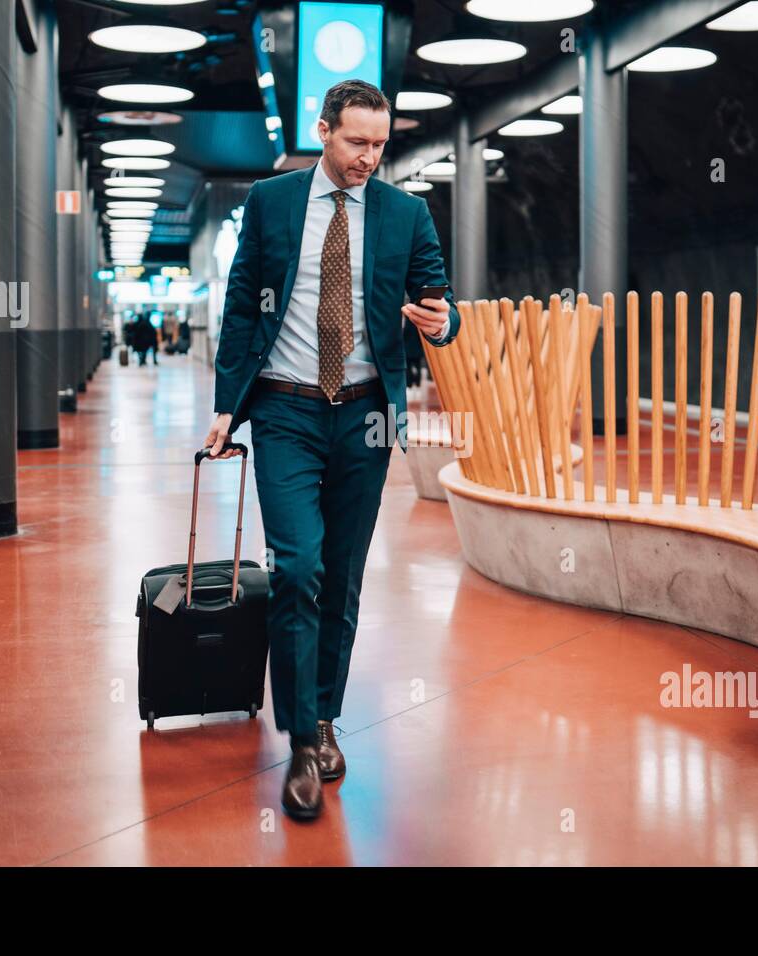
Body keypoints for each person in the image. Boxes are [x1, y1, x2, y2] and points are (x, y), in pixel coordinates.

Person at [203, 79, 461, 821]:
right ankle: (299, 744)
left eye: (380, 145)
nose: (368, 159)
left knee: (342, 577)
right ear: (323, 131)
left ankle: (322, 719)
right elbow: (244, 298)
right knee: (300, 569)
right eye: (356, 142)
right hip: (284, 409)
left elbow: (441, 307)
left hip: (364, 420)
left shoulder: (407, 214)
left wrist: (442, 324)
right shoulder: (272, 202)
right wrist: (228, 403)